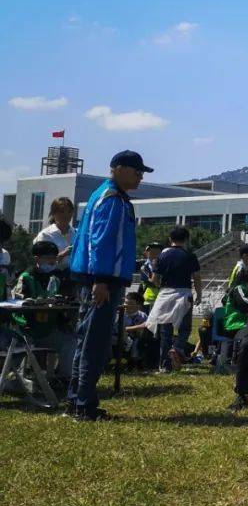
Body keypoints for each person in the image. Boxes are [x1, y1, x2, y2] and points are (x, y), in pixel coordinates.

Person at [66, 149, 149, 420]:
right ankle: (84, 404)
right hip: (102, 281)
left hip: (100, 278)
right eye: (136, 171)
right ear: (118, 168)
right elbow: (99, 241)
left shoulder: (111, 196)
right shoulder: (111, 198)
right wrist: (100, 280)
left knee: (87, 340)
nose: (139, 177)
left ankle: (76, 400)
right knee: (95, 342)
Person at [12, 238, 75, 382]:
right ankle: (26, 377)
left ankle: (64, 378)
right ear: (37, 259)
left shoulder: (56, 278)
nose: (53, 261)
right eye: (48, 258)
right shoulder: (26, 278)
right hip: (28, 330)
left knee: (70, 341)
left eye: (54, 258)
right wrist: (24, 324)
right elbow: (16, 306)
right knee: (26, 344)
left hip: (49, 329)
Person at [147, 226, 202, 371]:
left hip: (166, 293)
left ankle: (165, 365)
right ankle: (177, 348)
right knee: (185, 327)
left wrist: (160, 285)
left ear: (170, 239)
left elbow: (154, 279)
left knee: (166, 330)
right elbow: (196, 277)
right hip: (184, 293)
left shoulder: (162, 256)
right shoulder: (190, 256)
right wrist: (199, 294)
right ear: (186, 239)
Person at [39, 197, 76, 265]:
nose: (66, 215)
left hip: (73, 274)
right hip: (52, 274)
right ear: (53, 213)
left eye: (69, 211)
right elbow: (42, 263)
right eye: (62, 211)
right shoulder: (45, 235)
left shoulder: (76, 234)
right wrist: (63, 254)